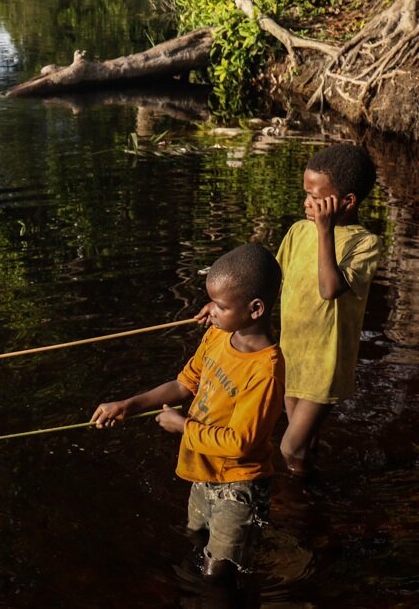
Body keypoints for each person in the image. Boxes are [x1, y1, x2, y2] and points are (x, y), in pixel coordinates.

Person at [92, 244, 285, 581]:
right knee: (195, 539)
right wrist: (128, 404)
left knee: (218, 574)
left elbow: (241, 443)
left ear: (255, 309)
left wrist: (183, 426)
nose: (210, 310)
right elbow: (184, 385)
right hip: (202, 472)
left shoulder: (264, 371)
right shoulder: (217, 335)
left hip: (238, 486)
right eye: (212, 301)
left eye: (221, 305)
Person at [270, 143, 383, 476]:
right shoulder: (296, 232)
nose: (306, 203)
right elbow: (272, 283)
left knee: (289, 449)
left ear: (346, 202)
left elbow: (329, 289)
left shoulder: (365, 244)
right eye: (306, 193)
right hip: (293, 355)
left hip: (326, 362)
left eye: (315, 197)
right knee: (304, 443)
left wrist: (324, 232)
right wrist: (225, 309)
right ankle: (312, 491)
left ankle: (295, 510)